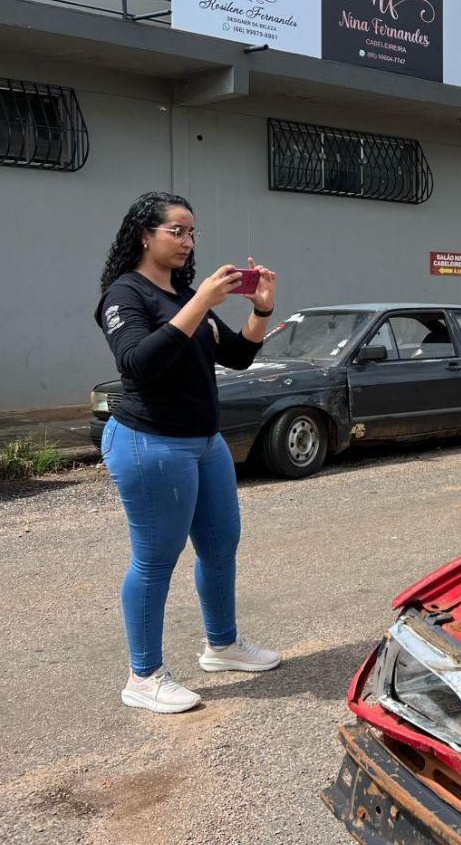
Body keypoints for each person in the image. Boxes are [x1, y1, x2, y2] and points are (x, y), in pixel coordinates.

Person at [96, 192, 282, 714]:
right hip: (150, 442)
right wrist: (201, 300)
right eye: (176, 230)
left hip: (205, 441)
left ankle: (222, 646)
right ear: (144, 234)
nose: (187, 241)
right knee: (155, 561)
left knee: (221, 545)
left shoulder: (181, 293)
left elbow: (239, 356)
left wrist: (260, 308)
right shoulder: (124, 295)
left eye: (192, 232)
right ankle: (144, 675)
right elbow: (139, 362)